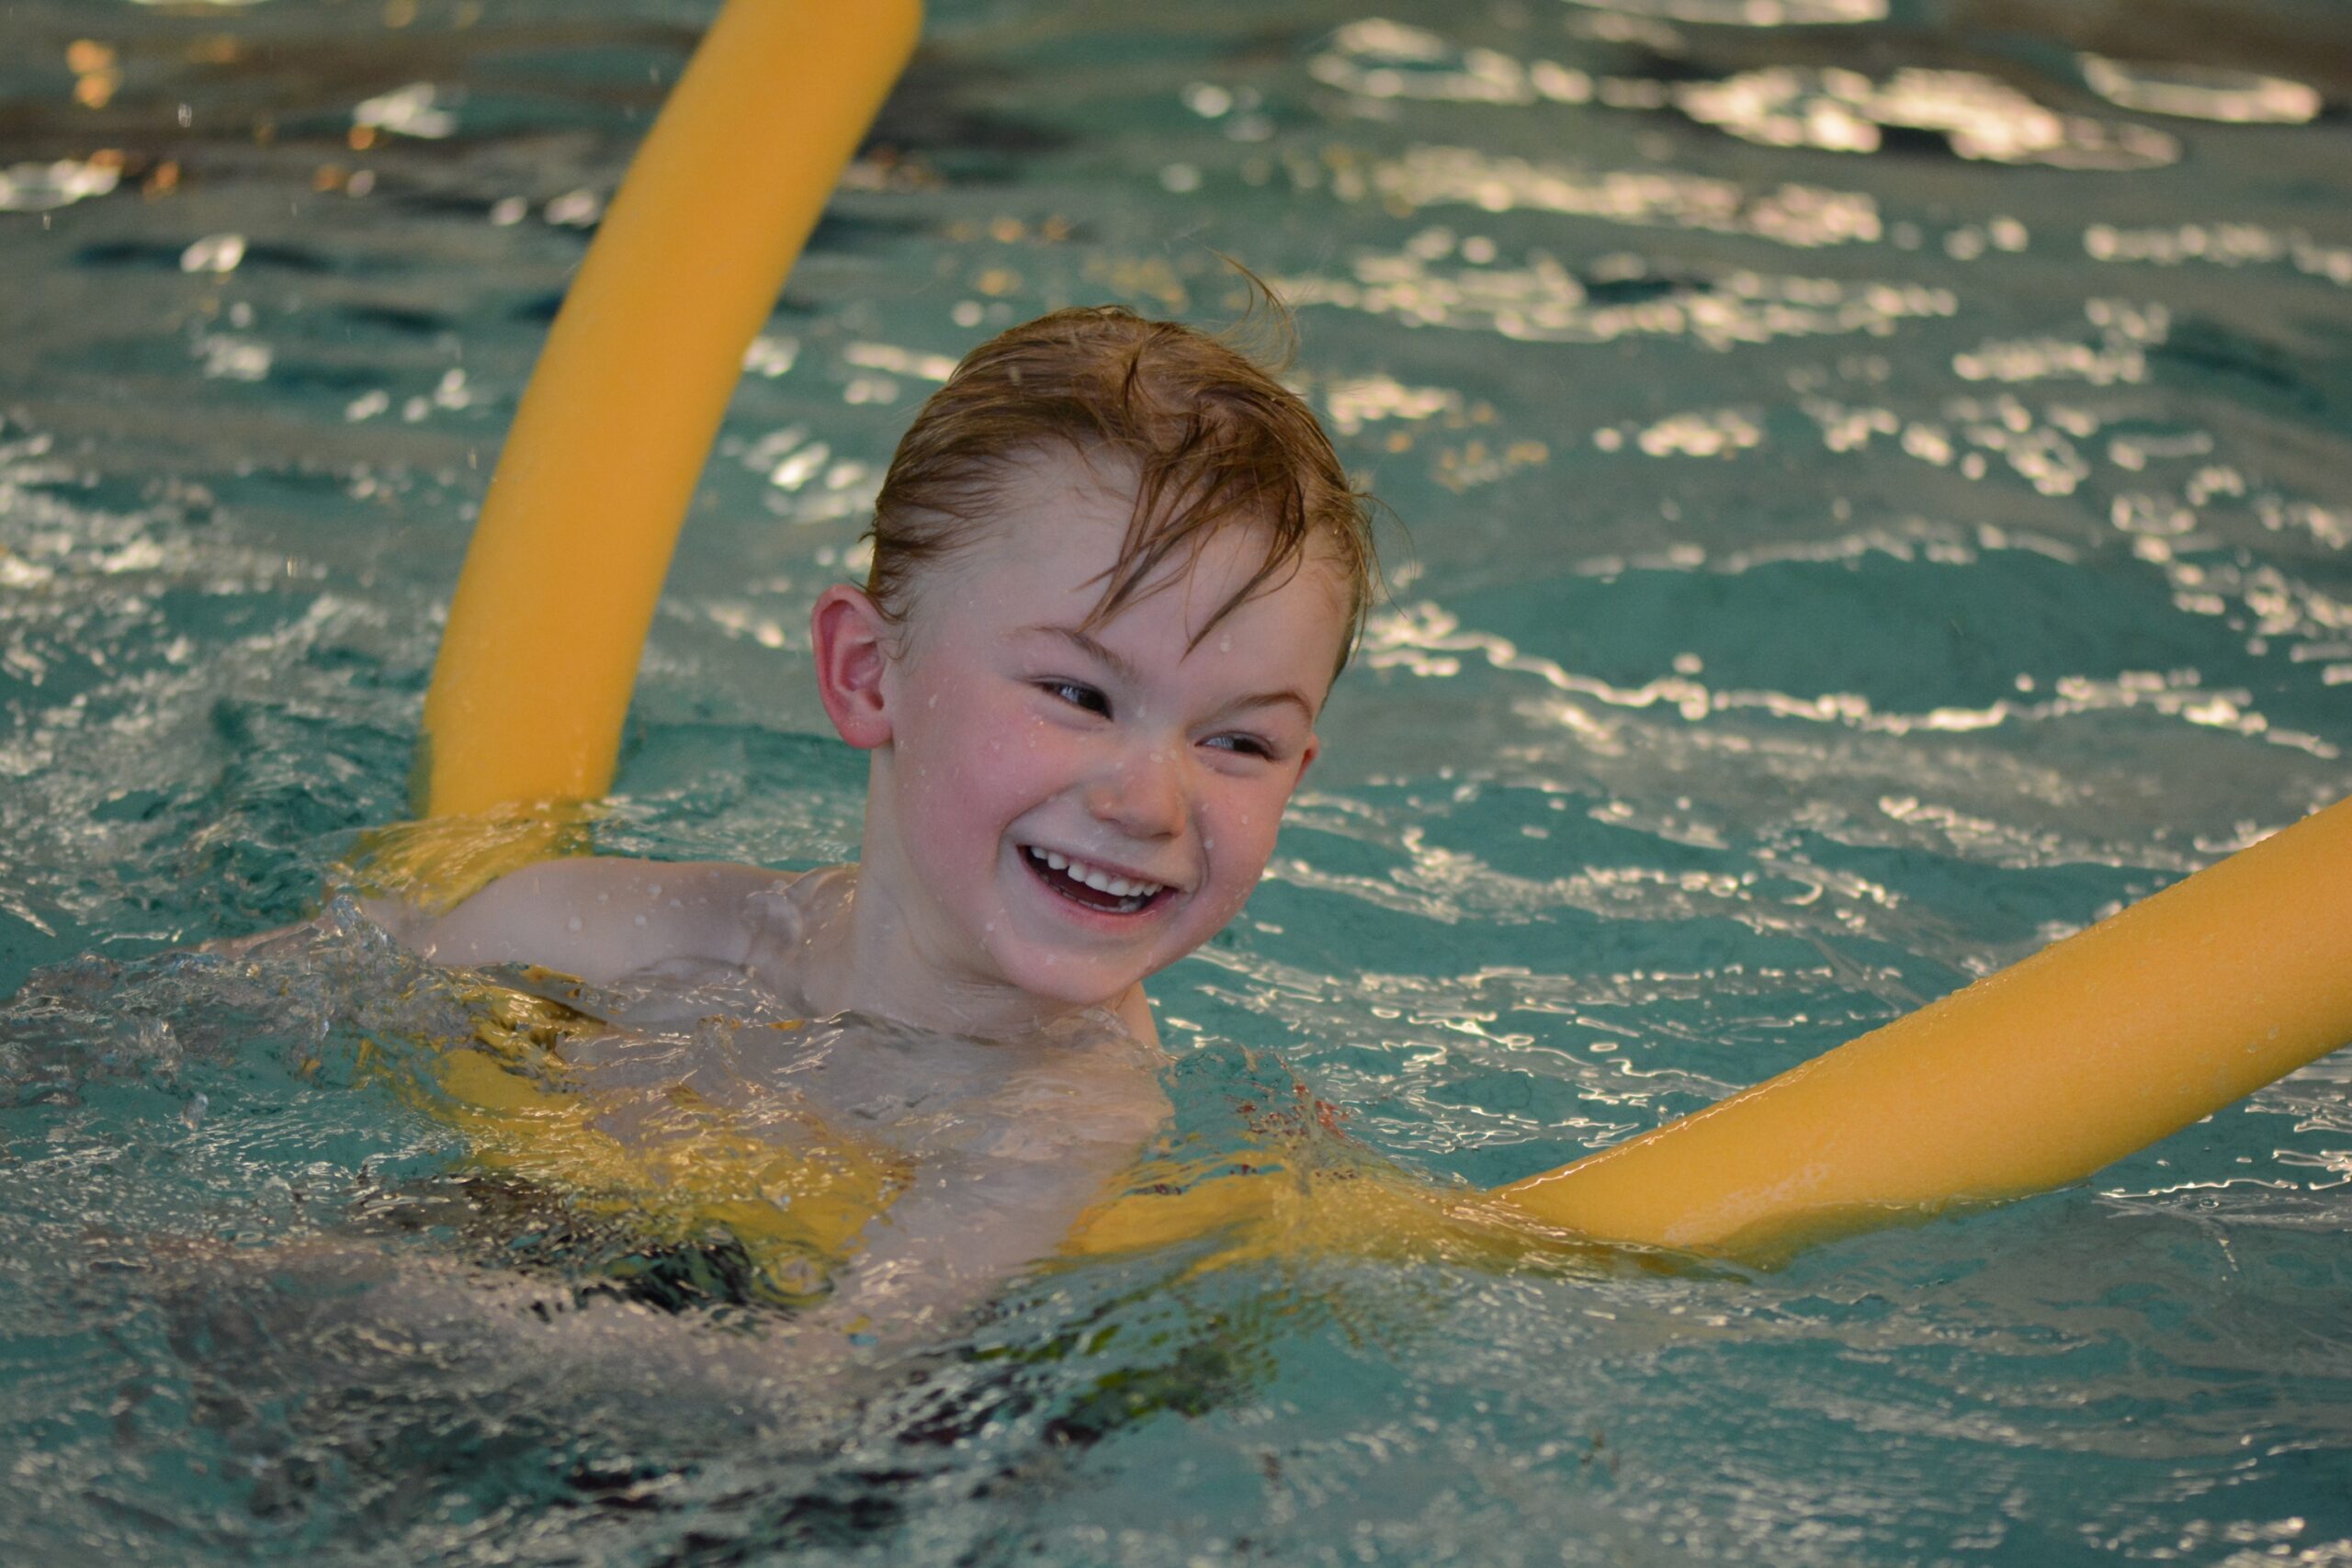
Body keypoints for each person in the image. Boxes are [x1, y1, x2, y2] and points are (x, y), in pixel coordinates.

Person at [348, 302, 1385, 1369]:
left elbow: (813, 1383)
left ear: (1298, 774)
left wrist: (371, 1305)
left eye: (1240, 744)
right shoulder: (637, 928)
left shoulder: (1055, 1122)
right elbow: (290, 992)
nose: (1153, 803)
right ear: (864, 672)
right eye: (1078, 693)